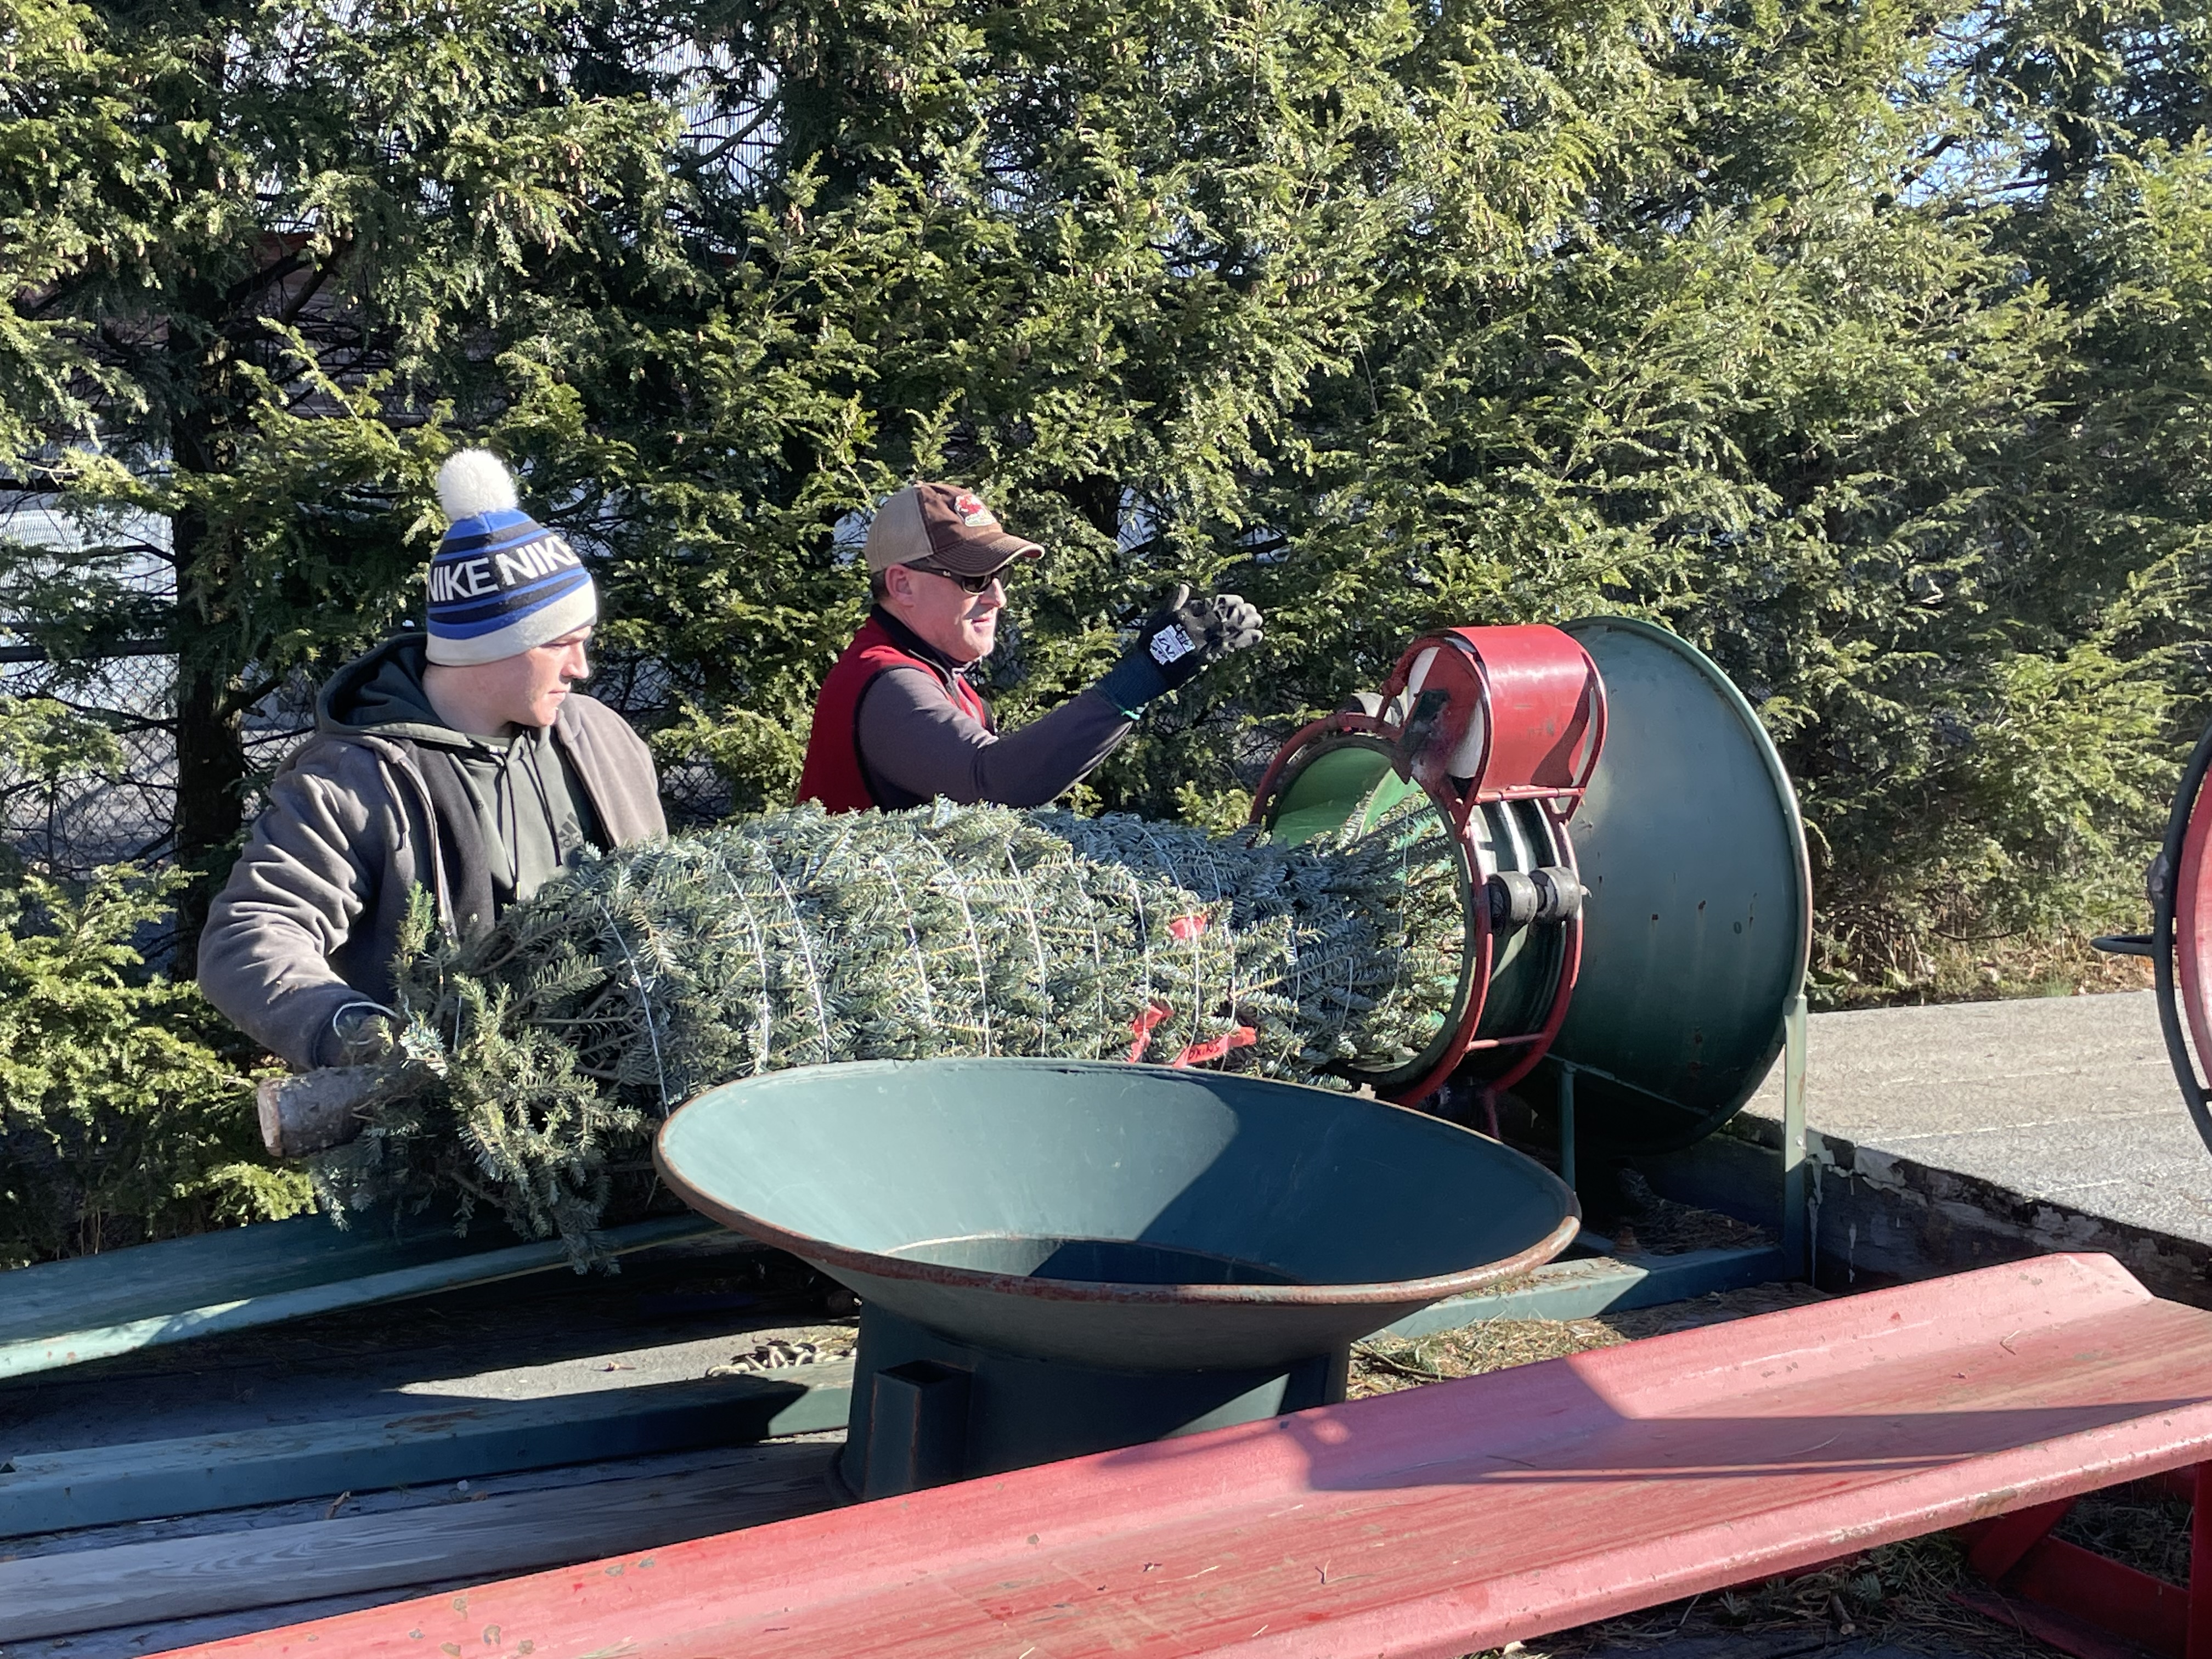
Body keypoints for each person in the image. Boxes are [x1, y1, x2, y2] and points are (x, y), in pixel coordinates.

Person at [200, 450, 665, 1071]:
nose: (583, 668)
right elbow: (248, 938)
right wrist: (364, 1040)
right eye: (563, 643)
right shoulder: (352, 781)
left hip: (630, 1099)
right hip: (453, 1139)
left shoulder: (602, 737)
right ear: (491, 646)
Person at [797, 482, 1262, 813]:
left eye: (1002, 577)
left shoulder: (947, 685)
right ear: (902, 585)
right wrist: (1142, 677)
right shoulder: (885, 682)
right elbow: (995, 783)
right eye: (975, 578)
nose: (998, 597)